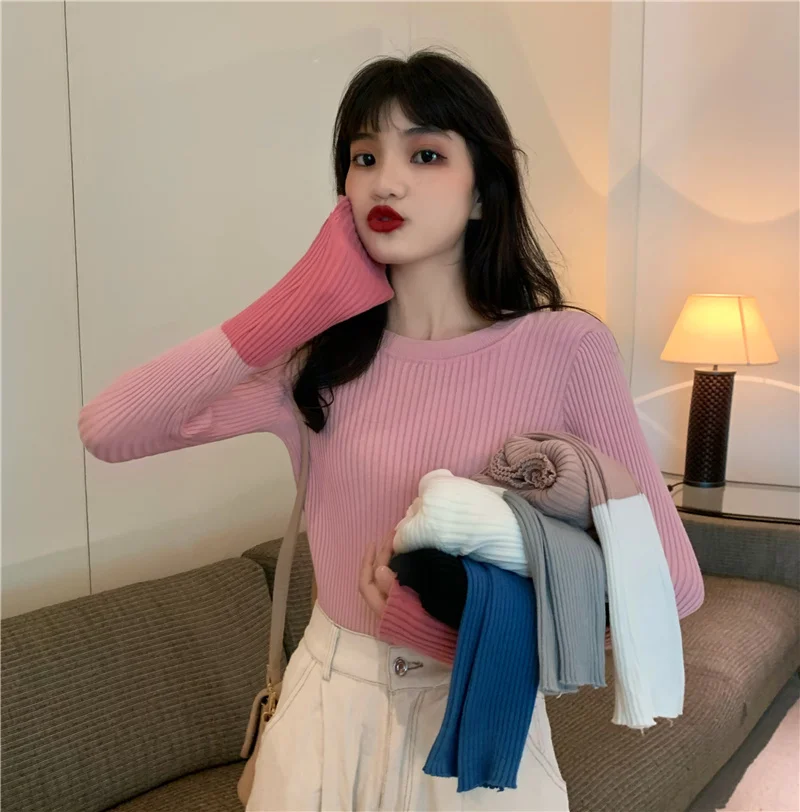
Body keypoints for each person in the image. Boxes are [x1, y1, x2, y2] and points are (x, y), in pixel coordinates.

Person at [79, 48, 704, 811]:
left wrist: (444, 630)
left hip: (476, 724)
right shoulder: (315, 364)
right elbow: (110, 428)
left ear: (483, 193)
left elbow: (669, 583)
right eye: (364, 157)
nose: (386, 181)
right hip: (324, 714)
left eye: (426, 154)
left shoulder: (564, 348)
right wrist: (298, 301)